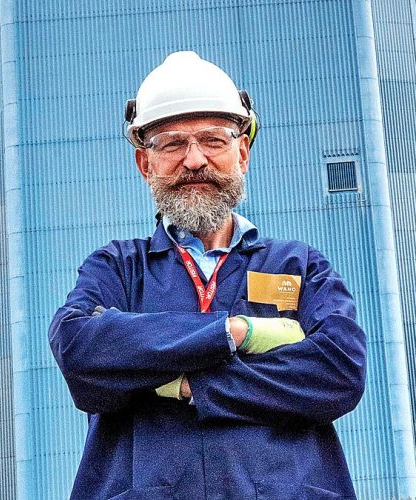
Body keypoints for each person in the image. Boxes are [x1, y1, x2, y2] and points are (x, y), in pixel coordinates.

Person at [48, 51, 366, 500]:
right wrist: (234, 332)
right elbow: (80, 350)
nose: (194, 160)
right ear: (145, 164)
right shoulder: (118, 267)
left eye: (213, 140)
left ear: (242, 153)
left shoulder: (299, 267)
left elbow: (338, 372)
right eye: (171, 144)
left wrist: (186, 383)